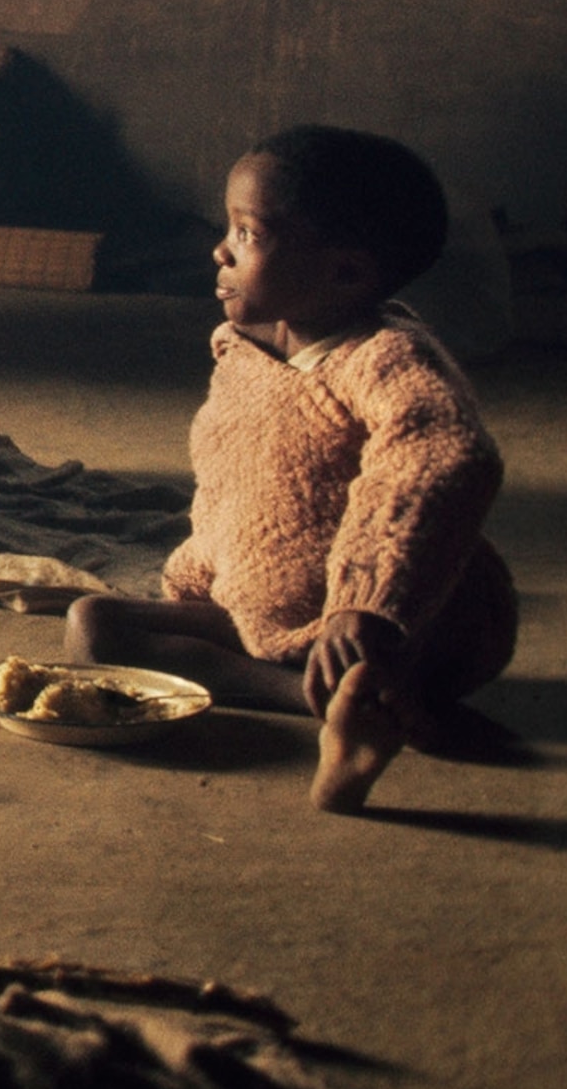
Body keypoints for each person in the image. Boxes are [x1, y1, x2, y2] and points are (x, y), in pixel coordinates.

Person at [66, 126, 515, 813]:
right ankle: (343, 707)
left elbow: (442, 454)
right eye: (228, 227)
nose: (219, 250)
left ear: (346, 274)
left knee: (384, 650)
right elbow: (236, 485)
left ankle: (372, 699)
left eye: (247, 234)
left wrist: (367, 604)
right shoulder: (244, 349)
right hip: (269, 616)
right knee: (92, 627)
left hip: (396, 623)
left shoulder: (384, 358)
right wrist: (200, 579)